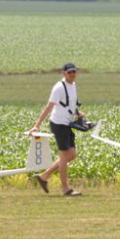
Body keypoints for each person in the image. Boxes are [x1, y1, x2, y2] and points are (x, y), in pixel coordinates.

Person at [28, 62, 85, 196]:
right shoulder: (59, 88)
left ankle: (44, 176)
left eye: (74, 72)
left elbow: (71, 103)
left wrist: (78, 113)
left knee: (72, 154)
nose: (72, 74)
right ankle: (66, 189)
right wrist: (37, 124)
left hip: (67, 123)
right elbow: (49, 106)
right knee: (64, 157)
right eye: (69, 72)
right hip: (59, 124)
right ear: (64, 73)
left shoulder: (73, 86)